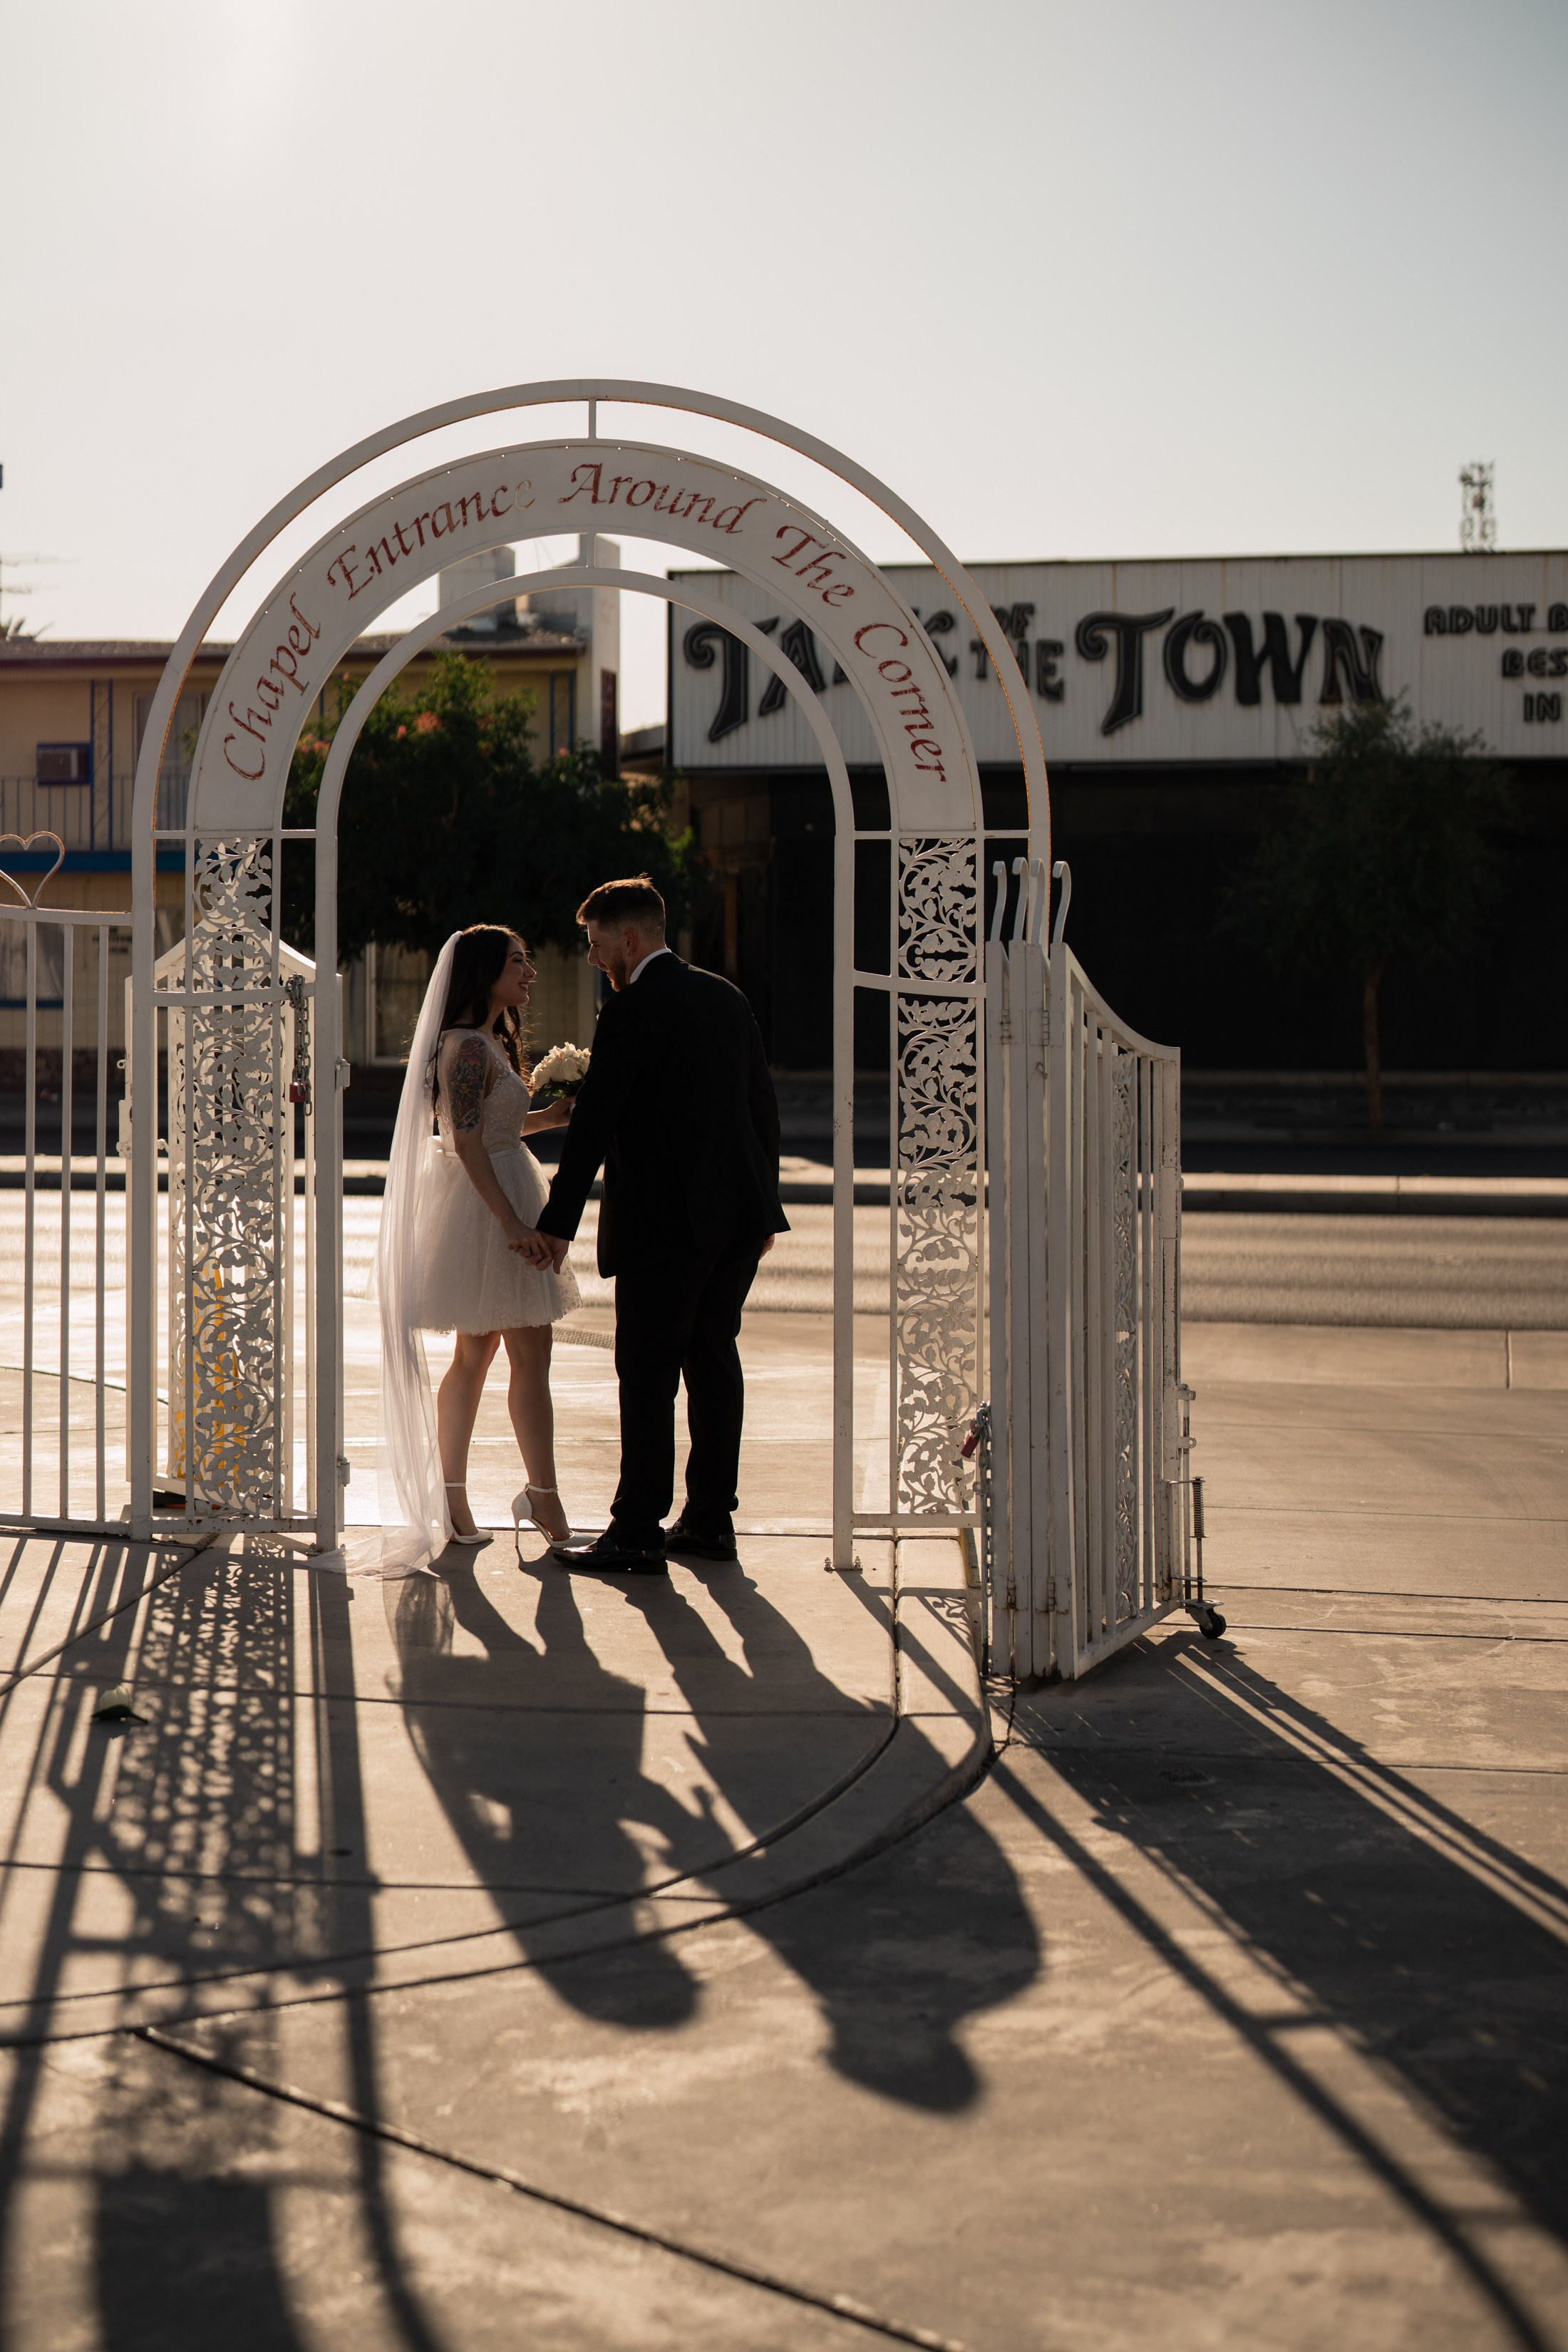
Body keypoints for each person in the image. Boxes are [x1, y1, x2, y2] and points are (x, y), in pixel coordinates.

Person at [522, 875, 788, 1572]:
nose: (591, 956)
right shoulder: (725, 996)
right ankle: (707, 1523)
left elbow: (595, 1125)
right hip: (736, 1218)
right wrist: (765, 1204)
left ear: (628, 939)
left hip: (664, 1225)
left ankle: (636, 1528)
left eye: (595, 942)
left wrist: (558, 1222)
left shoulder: (632, 1009)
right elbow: (761, 1105)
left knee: (646, 1373)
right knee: (712, 1358)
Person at [375, 924, 578, 1568]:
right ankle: (538, 1497)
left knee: (483, 1351)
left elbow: (495, 1125)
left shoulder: (485, 1041)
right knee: (519, 1354)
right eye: (519, 962)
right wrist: (514, 1224)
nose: (530, 973)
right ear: (484, 971)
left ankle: (459, 1499)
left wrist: (552, 1117)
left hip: (501, 1189)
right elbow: (465, 1142)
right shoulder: (465, 1048)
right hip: (491, 1204)